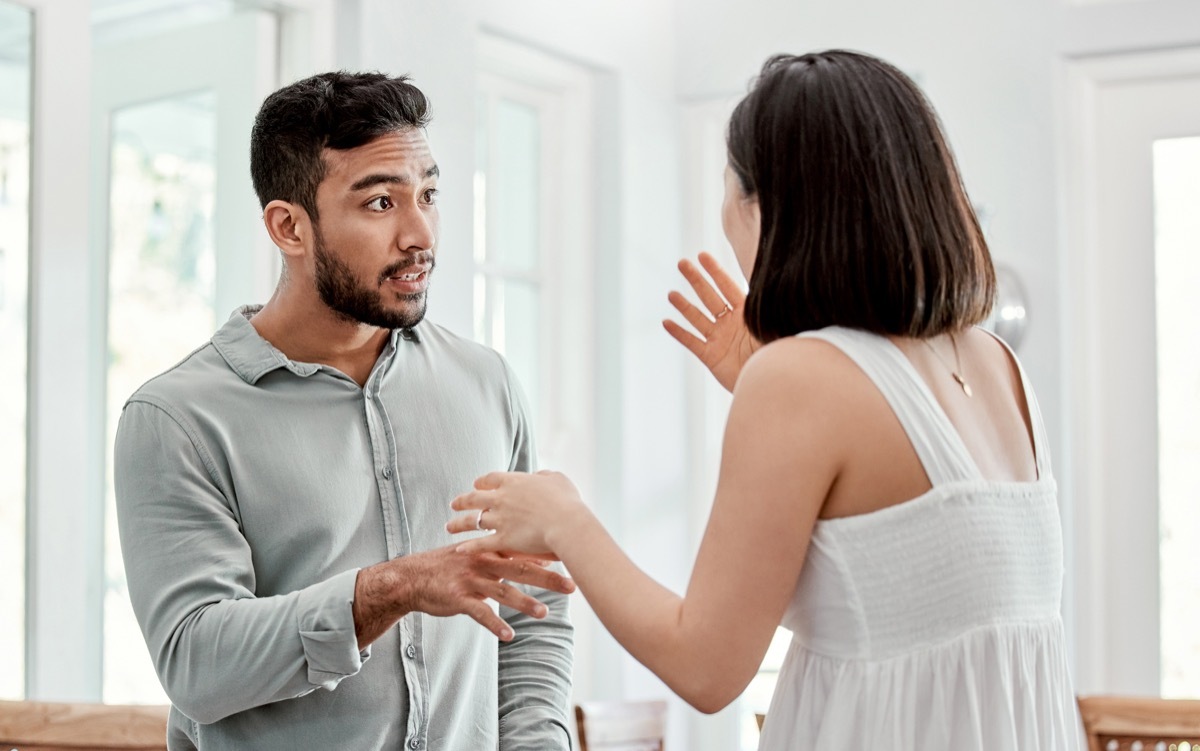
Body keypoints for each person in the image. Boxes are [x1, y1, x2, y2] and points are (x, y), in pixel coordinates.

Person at [447, 50, 1081, 749]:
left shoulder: (800, 381)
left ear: (768, 203)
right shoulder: (996, 363)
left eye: (728, 185)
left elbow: (706, 666)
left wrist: (568, 522)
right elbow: (905, 585)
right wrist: (767, 384)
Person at [114, 72, 575, 751]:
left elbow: (532, 612)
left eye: (428, 194)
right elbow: (196, 660)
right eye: (381, 201)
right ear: (289, 227)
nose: (420, 233)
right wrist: (390, 589)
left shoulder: (488, 383)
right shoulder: (177, 419)